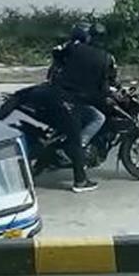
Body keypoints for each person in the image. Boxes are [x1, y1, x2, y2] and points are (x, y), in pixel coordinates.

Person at [48, 23, 116, 193]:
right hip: (70, 99)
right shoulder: (102, 57)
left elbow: (56, 52)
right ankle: (80, 178)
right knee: (96, 119)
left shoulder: (73, 49)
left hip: (60, 94)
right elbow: (105, 84)